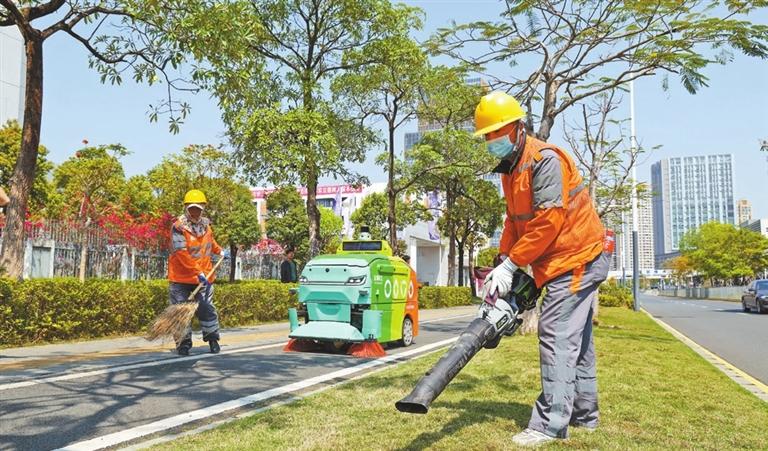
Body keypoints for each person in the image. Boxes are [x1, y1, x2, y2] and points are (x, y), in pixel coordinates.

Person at [475, 92, 610, 446]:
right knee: (578, 342)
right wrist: (502, 264)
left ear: (519, 128)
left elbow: (549, 221)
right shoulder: (510, 169)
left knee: (555, 333)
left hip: (578, 257)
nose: (493, 140)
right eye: (488, 135)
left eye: (498, 132)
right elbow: (514, 221)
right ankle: (584, 414)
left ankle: (549, 424)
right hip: (559, 260)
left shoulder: (545, 160)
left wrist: (514, 264)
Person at [168, 189, 226, 355]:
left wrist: (220, 251)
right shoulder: (178, 228)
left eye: (198, 209)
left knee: (206, 309)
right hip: (181, 278)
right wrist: (197, 271)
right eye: (192, 208)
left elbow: (210, 243)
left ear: (203, 208)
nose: (195, 212)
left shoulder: (206, 226)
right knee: (181, 311)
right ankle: (183, 344)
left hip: (205, 277)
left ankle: (213, 339)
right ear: (186, 208)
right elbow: (181, 253)